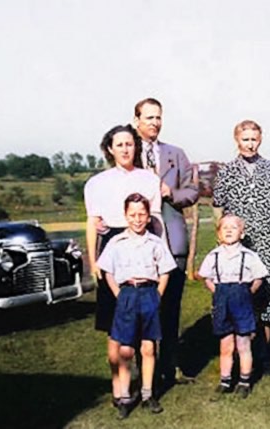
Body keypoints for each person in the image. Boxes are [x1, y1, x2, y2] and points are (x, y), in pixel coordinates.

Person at [83, 124, 163, 407]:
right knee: (114, 324)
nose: (125, 149)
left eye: (130, 144)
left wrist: (160, 255)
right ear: (110, 149)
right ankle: (119, 388)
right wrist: (94, 261)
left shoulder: (148, 179)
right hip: (113, 248)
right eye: (119, 145)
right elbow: (92, 223)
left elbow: (156, 220)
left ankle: (147, 388)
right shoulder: (96, 183)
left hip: (144, 245)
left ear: (135, 147)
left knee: (145, 326)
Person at [213, 119, 270, 376]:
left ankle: (263, 358)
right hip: (239, 245)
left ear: (260, 140)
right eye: (245, 139)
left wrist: (269, 228)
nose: (249, 144)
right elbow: (218, 208)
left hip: (268, 242)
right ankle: (237, 360)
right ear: (237, 140)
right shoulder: (227, 171)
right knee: (240, 298)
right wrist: (225, 239)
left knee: (266, 299)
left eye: (254, 139)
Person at [133, 97, 199, 387]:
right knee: (141, 309)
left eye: (158, 117)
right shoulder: (128, 151)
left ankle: (171, 368)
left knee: (171, 308)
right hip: (138, 244)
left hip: (172, 242)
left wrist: (170, 193)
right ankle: (144, 372)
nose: (155, 123)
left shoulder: (176, 154)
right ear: (137, 121)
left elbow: (193, 191)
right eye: (149, 117)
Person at [97, 193, 177, 419]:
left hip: (149, 293)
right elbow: (107, 271)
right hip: (127, 294)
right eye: (132, 215)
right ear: (125, 216)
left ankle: (147, 394)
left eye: (142, 214)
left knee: (148, 347)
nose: (137, 219)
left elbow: (165, 271)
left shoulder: (155, 242)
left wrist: (158, 295)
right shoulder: (116, 242)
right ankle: (124, 397)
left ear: (148, 217)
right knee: (125, 349)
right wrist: (118, 293)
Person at [198, 215, 268, 399]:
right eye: (225, 228)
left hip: (242, 298)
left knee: (243, 342)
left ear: (242, 233)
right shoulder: (213, 256)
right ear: (219, 234)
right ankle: (225, 380)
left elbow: (259, 278)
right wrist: (217, 292)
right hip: (222, 299)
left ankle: (244, 381)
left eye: (234, 227)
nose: (229, 231)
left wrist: (248, 292)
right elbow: (206, 277)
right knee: (225, 344)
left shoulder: (249, 256)